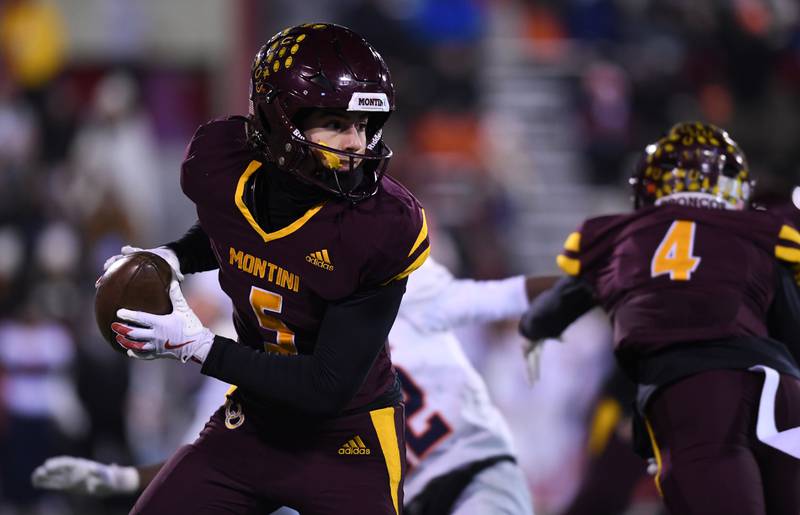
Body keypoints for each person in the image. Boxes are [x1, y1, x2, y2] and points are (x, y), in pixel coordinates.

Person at [94, 23, 430, 515]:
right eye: (337, 124)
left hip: (347, 438)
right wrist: (172, 257)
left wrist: (199, 347)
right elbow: (233, 232)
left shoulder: (381, 225)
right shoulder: (223, 163)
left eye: (363, 126)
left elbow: (326, 387)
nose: (357, 143)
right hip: (254, 422)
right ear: (278, 120)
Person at [34, 257, 557, 514]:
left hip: (471, 472)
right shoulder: (253, 358)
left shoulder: (394, 282)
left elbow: (500, 297)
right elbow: (216, 461)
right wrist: (122, 480)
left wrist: (587, 286)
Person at [519, 121, 800, 515]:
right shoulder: (762, 232)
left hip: (695, 393)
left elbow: (555, 307)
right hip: (783, 390)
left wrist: (532, 329)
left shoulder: (621, 238)